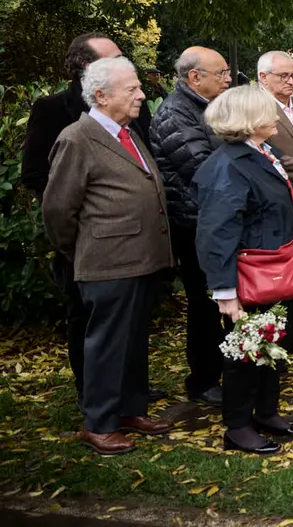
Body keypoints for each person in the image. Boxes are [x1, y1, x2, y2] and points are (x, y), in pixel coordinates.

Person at [42, 57, 176, 455]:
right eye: (132, 89)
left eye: (139, 87)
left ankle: (131, 409)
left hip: (142, 258)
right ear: (101, 96)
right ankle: (98, 423)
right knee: (106, 343)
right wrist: (82, 249)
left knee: (133, 340)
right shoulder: (77, 138)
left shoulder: (128, 132)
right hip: (107, 262)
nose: (141, 94)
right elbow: (57, 212)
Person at [192, 86, 293, 455]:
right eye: (267, 112)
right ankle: (238, 424)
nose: (276, 117)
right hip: (252, 274)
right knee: (247, 351)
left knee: (273, 345)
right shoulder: (228, 165)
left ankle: (266, 412)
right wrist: (224, 292)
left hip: (277, 269)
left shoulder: (262, 153)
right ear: (247, 120)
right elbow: (217, 232)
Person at [21, 33, 142, 405]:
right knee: (87, 320)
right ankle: (91, 393)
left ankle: (127, 394)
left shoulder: (132, 108)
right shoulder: (54, 110)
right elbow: (38, 176)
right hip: (87, 243)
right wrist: (82, 229)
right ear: (87, 70)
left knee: (130, 323)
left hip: (133, 245)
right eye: (115, 58)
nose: (125, 63)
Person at [150, 46, 233, 407]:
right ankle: (202, 379)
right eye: (221, 73)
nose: (228, 79)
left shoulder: (208, 107)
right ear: (194, 77)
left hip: (213, 220)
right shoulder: (175, 115)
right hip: (195, 223)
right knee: (204, 304)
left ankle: (230, 369)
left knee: (221, 301)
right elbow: (203, 168)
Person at [257, 50, 293, 354]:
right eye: (283, 76)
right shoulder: (257, 110)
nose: (290, 81)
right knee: (284, 268)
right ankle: (280, 338)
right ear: (263, 78)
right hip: (281, 197)